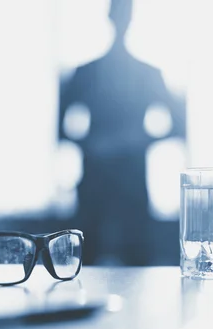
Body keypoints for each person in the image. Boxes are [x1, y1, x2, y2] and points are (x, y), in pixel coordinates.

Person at [59, 0, 186, 265]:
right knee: (87, 251)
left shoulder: (146, 73)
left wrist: (133, 142)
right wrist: (94, 145)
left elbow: (178, 125)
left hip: (130, 176)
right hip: (98, 175)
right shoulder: (89, 72)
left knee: (135, 249)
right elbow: (60, 128)